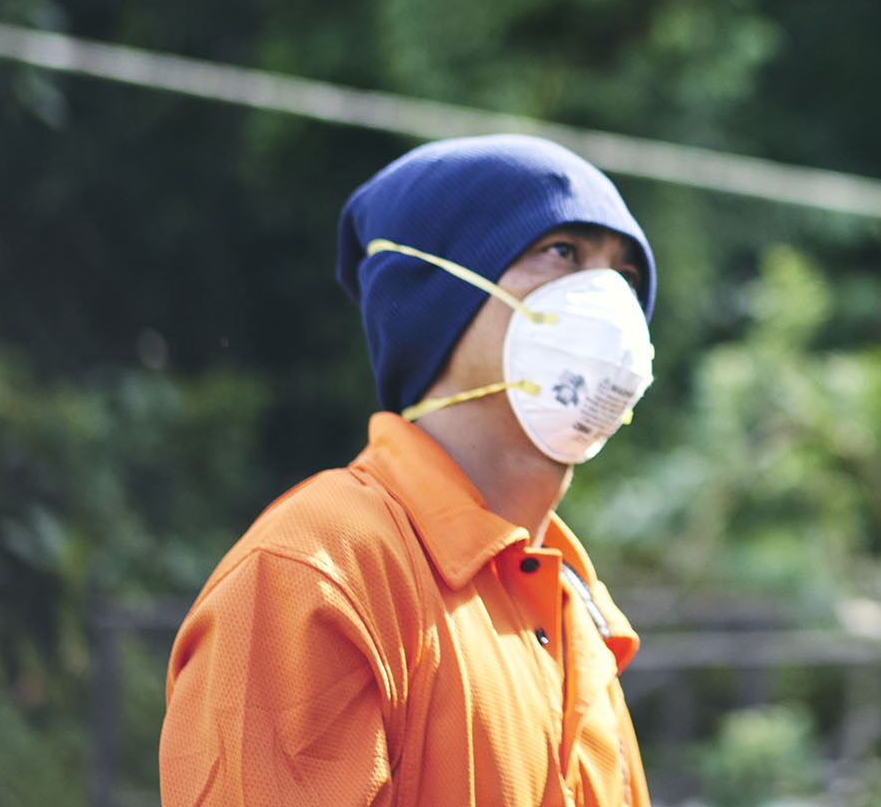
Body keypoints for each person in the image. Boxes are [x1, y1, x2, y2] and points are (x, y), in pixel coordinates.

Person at [160, 134, 659, 805]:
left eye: (624, 275)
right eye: (562, 252)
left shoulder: (579, 615)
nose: (608, 299)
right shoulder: (316, 572)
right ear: (440, 292)